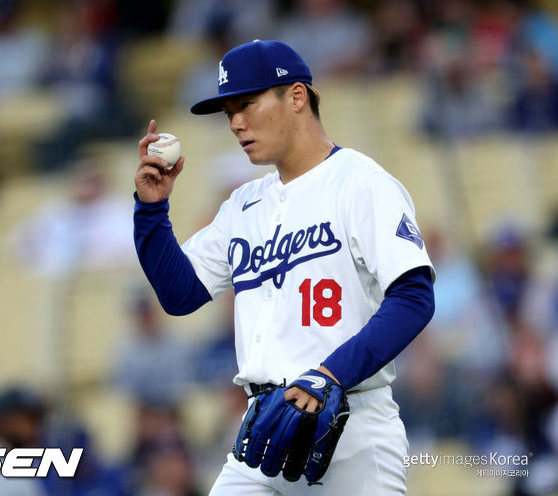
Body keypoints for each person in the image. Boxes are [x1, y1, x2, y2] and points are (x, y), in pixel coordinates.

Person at [133, 40, 435, 495]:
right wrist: (152, 211)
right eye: (228, 111)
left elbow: (414, 298)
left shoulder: (361, 183)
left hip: (351, 427)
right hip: (262, 432)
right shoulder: (243, 205)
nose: (236, 122)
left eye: (247, 103)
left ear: (296, 97)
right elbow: (179, 295)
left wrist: (330, 375)